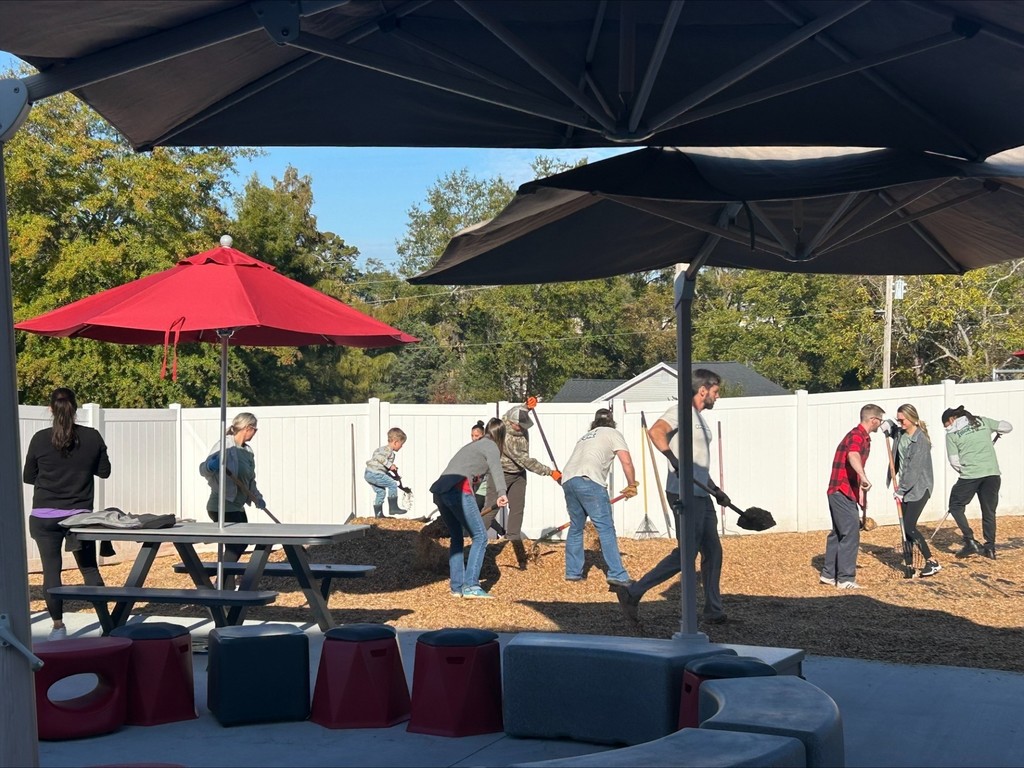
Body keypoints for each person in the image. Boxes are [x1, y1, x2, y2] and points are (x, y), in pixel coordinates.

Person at [611, 369, 730, 626]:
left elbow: (696, 463)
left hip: (701, 492)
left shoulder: (698, 418)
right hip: (684, 492)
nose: (717, 397)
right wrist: (672, 459)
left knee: (713, 551)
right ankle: (633, 592)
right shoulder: (681, 412)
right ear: (703, 390)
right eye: (716, 391)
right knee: (686, 553)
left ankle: (714, 610)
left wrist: (715, 490)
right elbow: (655, 432)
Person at [24, 387, 112, 640]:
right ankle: (108, 625)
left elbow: (28, 476)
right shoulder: (92, 437)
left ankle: (58, 627)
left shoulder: (40, 438)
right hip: (79, 518)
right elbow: (104, 471)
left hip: (44, 517)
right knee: (89, 570)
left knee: (52, 571)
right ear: (75, 408)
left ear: (51, 408)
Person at [429, 418, 509, 598]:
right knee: (480, 536)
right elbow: (497, 469)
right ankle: (471, 585)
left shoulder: (472, 447)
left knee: (457, 537)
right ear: (501, 435)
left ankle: (457, 587)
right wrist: (502, 492)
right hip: (458, 489)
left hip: (441, 491)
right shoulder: (491, 446)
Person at [561, 408, 637, 586]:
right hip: (589, 480)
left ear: (594, 422)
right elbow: (626, 460)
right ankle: (617, 574)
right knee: (605, 529)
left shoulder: (585, 437)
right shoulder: (612, 433)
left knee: (576, 527)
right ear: (611, 422)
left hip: (569, 480)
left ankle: (573, 572)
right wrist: (632, 484)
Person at [482, 404, 560, 567]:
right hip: (500, 473)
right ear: (510, 423)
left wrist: (526, 406)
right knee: (492, 507)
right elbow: (525, 461)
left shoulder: (509, 418)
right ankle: (475, 537)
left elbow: (515, 412)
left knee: (517, 509)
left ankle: (513, 541)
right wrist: (549, 472)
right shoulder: (508, 437)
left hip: (518, 475)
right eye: (519, 425)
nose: (521, 427)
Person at [820, 404, 885, 589]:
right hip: (841, 490)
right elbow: (852, 455)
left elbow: (852, 465)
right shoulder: (857, 436)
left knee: (838, 533)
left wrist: (860, 493)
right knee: (851, 533)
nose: (880, 425)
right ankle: (845, 579)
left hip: (841, 491)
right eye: (879, 421)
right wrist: (864, 477)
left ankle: (828, 574)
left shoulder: (858, 436)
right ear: (873, 420)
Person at [199, 412, 267, 588]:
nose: (255, 433)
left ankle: (224, 585)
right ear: (247, 428)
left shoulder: (247, 451)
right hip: (221, 505)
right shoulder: (225, 446)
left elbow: (250, 480)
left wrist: (257, 497)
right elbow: (203, 469)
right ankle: (220, 581)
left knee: (236, 545)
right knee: (237, 544)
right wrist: (211, 465)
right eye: (255, 429)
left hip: (236, 506)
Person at [941, 405, 1012, 560]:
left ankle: (970, 540)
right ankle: (990, 547)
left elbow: (954, 461)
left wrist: (966, 471)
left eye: (946, 424)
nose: (946, 428)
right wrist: (998, 432)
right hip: (992, 473)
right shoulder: (982, 421)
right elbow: (1007, 427)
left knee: (955, 505)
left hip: (971, 475)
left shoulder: (951, 433)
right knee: (989, 511)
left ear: (951, 419)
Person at [884, 404, 940, 577]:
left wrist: (901, 489)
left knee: (909, 526)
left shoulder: (920, 440)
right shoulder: (901, 433)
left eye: (902, 420)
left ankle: (932, 562)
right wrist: (887, 425)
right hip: (906, 487)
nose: (900, 423)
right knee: (904, 529)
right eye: (898, 419)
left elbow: (914, 470)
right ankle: (909, 565)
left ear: (912, 418)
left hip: (919, 488)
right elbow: (895, 431)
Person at [364, 427, 407, 518]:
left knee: (381, 492)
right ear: (395, 442)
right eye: (401, 444)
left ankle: (379, 515)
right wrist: (390, 465)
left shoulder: (382, 450)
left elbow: (381, 469)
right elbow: (378, 457)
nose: (402, 446)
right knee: (392, 485)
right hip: (375, 473)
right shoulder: (386, 450)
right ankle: (393, 508)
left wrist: (393, 476)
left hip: (370, 473)